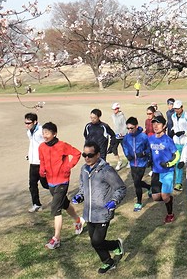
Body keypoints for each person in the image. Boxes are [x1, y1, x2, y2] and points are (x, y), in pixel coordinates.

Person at [72, 141, 127, 274]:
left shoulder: (106, 170)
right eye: (84, 154)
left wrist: (114, 201)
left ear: (98, 155)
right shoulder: (84, 170)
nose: (86, 158)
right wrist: (79, 196)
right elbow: (82, 188)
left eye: (90, 155)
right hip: (89, 213)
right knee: (95, 241)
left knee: (97, 241)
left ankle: (112, 253)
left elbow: (120, 188)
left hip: (103, 212)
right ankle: (112, 254)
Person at [38, 122, 85, 250]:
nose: (44, 135)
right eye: (43, 133)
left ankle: (56, 238)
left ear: (54, 134)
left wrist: (68, 166)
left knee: (55, 208)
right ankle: (78, 220)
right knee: (63, 204)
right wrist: (42, 171)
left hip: (62, 180)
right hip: (50, 181)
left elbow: (76, 153)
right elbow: (42, 160)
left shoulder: (62, 145)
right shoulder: (41, 147)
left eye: (47, 133)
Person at [148, 115, 179, 223]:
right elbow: (149, 152)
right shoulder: (150, 138)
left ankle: (170, 213)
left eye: (158, 124)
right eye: (154, 124)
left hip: (167, 172)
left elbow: (177, 155)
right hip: (156, 171)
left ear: (164, 125)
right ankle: (168, 197)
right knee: (156, 197)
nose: (155, 126)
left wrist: (169, 164)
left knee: (165, 196)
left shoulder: (168, 140)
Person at [121, 117, 151, 211]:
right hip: (132, 163)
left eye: (131, 128)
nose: (130, 130)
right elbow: (125, 147)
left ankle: (139, 202)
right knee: (136, 182)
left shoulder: (143, 137)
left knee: (137, 182)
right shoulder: (126, 137)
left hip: (142, 163)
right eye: (128, 128)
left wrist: (143, 153)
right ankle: (149, 187)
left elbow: (149, 149)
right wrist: (127, 155)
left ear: (136, 126)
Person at [24, 113, 48, 213]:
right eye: (25, 123)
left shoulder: (41, 131)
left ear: (35, 122)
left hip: (41, 163)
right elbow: (33, 145)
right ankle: (36, 204)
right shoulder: (29, 132)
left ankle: (60, 196)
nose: (27, 125)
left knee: (45, 184)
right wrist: (29, 155)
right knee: (32, 184)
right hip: (33, 163)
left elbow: (47, 144)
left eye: (29, 123)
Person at [171, 100, 187, 191]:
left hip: (186, 141)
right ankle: (178, 183)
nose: (176, 110)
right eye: (175, 109)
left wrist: (184, 132)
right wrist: (173, 130)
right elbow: (175, 126)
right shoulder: (173, 116)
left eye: (178, 108)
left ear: (182, 107)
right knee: (178, 162)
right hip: (177, 142)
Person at [110, 103, 128, 170]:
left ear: (118, 109)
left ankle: (129, 161)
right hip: (116, 135)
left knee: (125, 149)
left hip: (122, 136)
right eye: (113, 109)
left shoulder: (122, 116)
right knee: (114, 149)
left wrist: (122, 133)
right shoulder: (113, 116)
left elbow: (125, 126)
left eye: (115, 109)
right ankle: (119, 161)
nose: (114, 111)